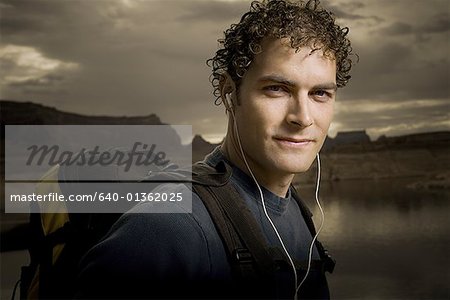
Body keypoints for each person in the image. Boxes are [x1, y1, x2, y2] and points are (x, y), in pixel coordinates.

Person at [75, 0, 354, 299]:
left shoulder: (296, 211)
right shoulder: (168, 226)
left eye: (320, 93)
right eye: (277, 88)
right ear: (229, 93)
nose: (303, 118)